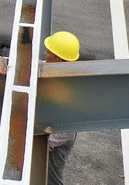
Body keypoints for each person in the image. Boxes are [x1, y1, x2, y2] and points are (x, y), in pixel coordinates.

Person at [44, 31, 80, 185]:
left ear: (58, 59)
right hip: (51, 130)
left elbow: (68, 131)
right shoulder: (55, 70)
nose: (45, 53)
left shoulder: (69, 90)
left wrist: (50, 142)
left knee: (53, 178)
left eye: (48, 51)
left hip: (58, 142)